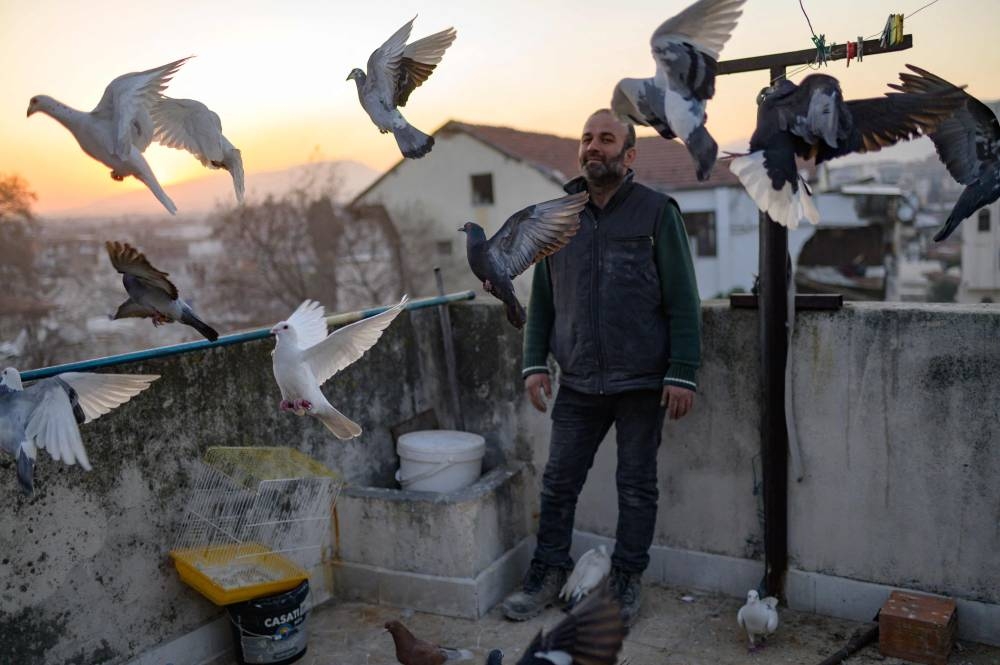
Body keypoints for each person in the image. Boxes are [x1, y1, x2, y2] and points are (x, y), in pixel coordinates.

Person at [500, 109, 701, 627]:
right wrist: (533, 364)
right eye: (586, 139)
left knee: (636, 487)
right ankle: (547, 572)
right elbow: (543, 298)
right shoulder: (559, 216)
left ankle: (627, 581)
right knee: (559, 482)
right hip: (580, 381)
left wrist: (682, 370)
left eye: (606, 139)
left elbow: (684, 297)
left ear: (628, 155)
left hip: (642, 382)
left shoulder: (658, 213)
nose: (593, 147)